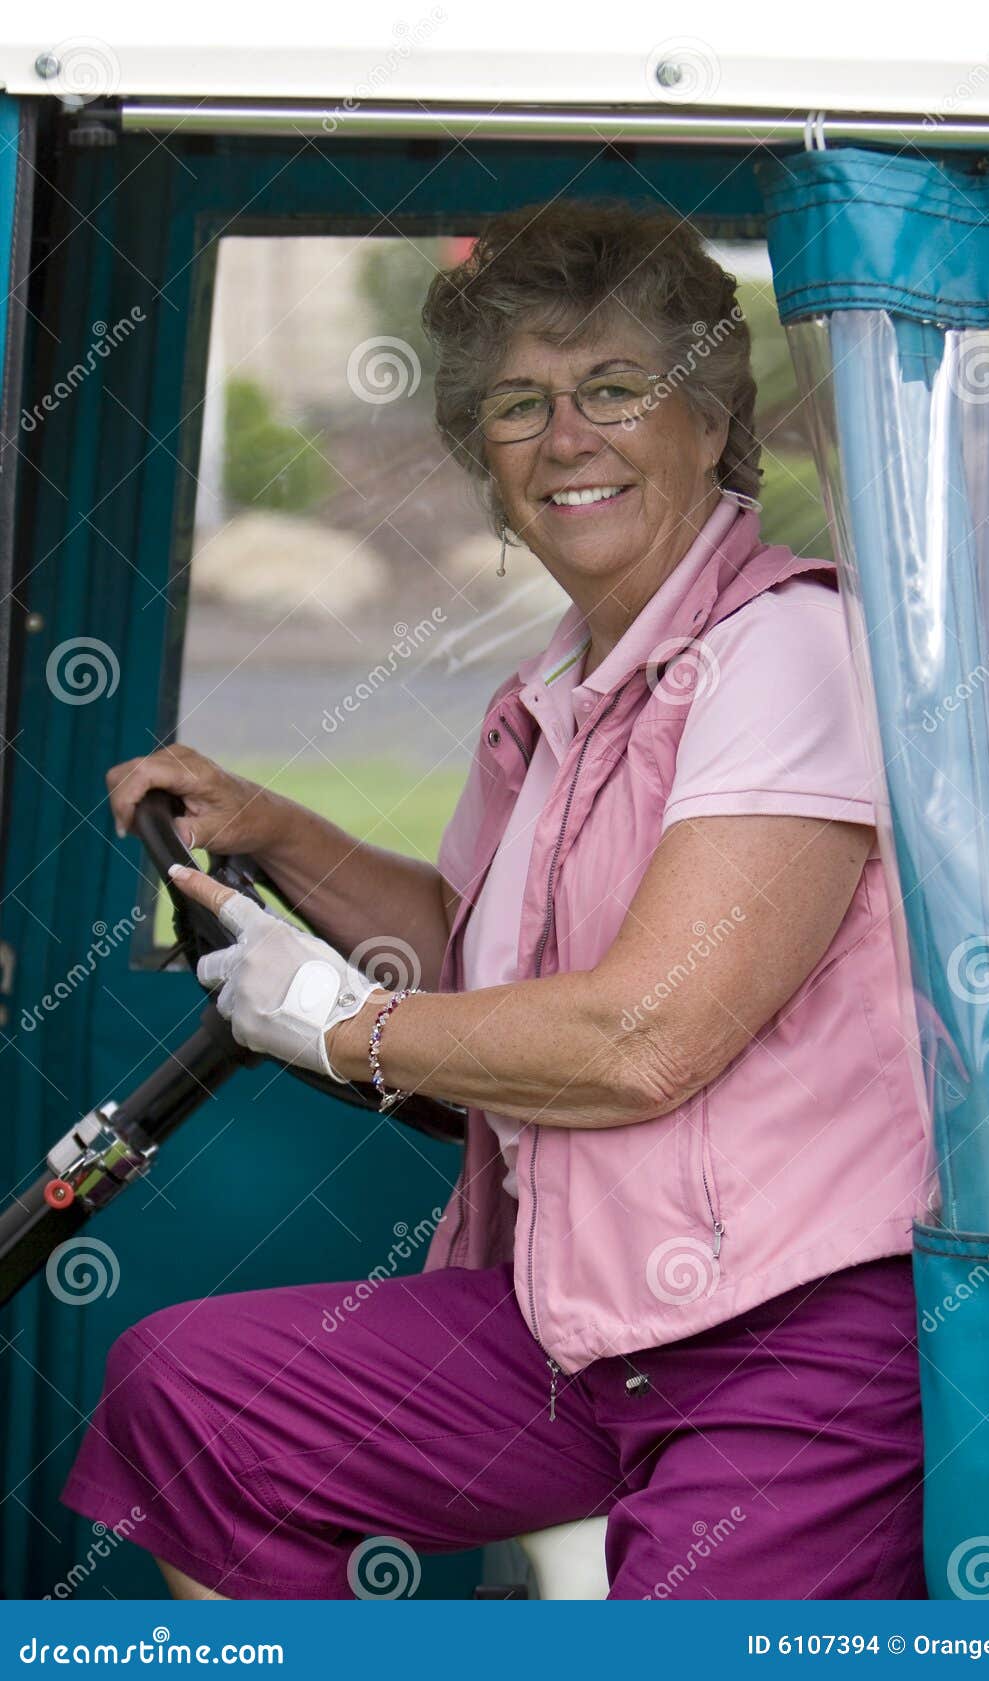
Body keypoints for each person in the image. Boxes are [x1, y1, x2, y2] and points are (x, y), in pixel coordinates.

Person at [60, 201, 932, 1600]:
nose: (564, 436)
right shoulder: (552, 697)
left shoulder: (788, 654)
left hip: (792, 1339)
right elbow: (468, 952)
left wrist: (346, 1030)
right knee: (196, 1401)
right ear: (483, 455)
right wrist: (275, 830)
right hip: (582, 1323)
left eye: (612, 390)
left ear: (708, 420)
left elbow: (644, 1034)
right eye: (519, 405)